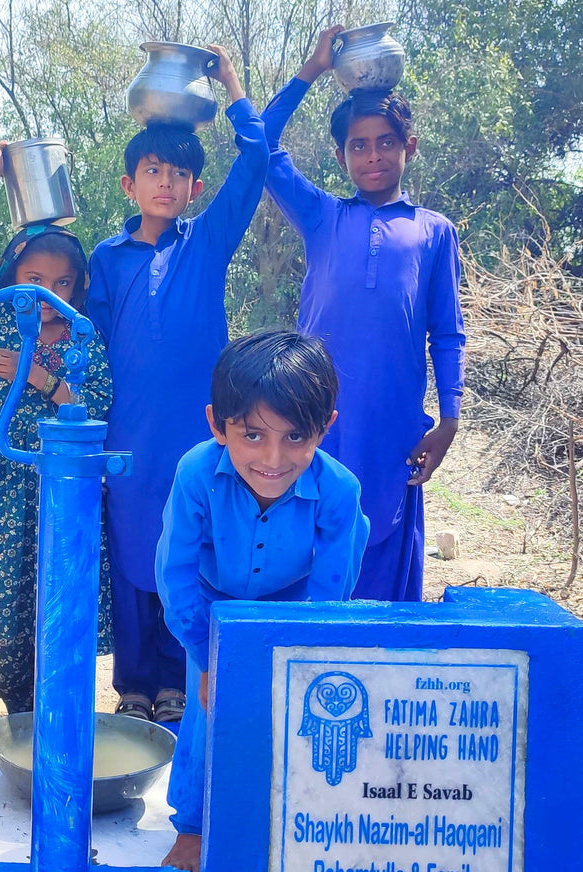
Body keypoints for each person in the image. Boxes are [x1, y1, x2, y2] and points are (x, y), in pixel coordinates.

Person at [88, 44, 269, 725]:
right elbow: (94, 350)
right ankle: (135, 682)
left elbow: (255, 162)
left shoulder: (207, 240)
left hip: (198, 432)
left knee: (187, 545)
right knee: (133, 552)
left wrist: (230, 86)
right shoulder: (106, 258)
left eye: (179, 173)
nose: (166, 182)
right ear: (130, 183)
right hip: (129, 433)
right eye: (152, 170)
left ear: (195, 187)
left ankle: (177, 677)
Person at [260, 27, 466, 601]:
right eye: (358, 145)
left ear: (409, 147)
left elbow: (447, 334)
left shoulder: (433, 232)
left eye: (385, 143)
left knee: (383, 534)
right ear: (340, 154)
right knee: (310, 533)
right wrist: (310, 69)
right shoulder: (322, 216)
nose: (372, 156)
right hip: (316, 411)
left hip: (392, 418)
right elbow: (260, 145)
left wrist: (448, 419)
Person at [156, 330, 369, 872]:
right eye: (252, 435)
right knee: (208, 711)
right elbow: (176, 574)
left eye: (296, 436)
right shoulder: (197, 474)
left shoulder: (339, 491)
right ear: (217, 425)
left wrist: (302, 654)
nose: (273, 458)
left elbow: (327, 596)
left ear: (326, 429)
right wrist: (209, 656)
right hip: (211, 605)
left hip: (296, 601)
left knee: (298, 708)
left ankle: (294, 813)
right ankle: (194, 827)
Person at [0, 142, 113, 714]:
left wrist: (40, 378)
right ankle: (17, 711)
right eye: (33, 279)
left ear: (77, 287)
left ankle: (63, 710)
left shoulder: (86, 341)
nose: (47, 294)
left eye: (61, 283)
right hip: (2, 484)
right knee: (12, 606)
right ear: (14, 279)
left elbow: (95, 413)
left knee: (60, 600)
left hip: (60, 491)